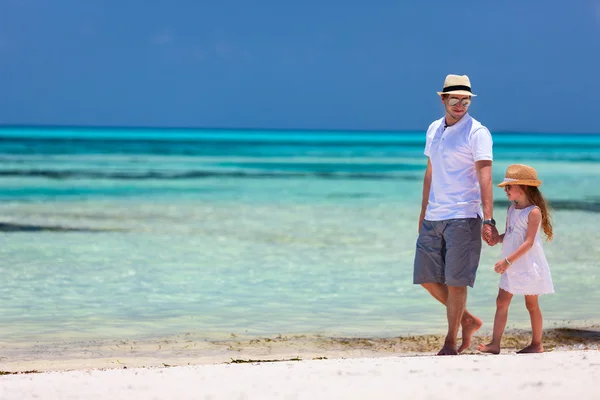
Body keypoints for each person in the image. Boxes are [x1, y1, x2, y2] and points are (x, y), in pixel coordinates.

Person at [413, 74, 497, 356]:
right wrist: (423, 211)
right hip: (434, 215)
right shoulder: (434, 129)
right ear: (443, 99)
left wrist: (488, 218)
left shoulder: (477, 132)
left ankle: (450, 341)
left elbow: (485, 176)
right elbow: (430, 172)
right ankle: (467, 320)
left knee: (456, 280)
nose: (460, 104)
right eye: (455, 99)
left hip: (464, 215)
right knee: (426, 277)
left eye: (466, 100)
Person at [478, 164, 554, 354]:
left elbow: (528, 242)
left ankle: (537, 344)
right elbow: (512, 234)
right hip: (511, 264)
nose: (506, 191)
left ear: (523, 187)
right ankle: (495, 343)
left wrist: (507, 261)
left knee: (531, 304)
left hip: (527, 264)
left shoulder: (533, 212)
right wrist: (498, 238)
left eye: (509, 187)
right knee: (501, 302)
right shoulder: (512, 209)